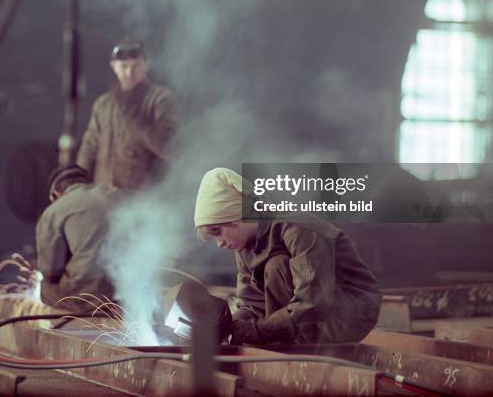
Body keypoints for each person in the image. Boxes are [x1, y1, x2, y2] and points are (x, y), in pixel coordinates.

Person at [194, 167, 382, 345]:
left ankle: (296, 347)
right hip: (313, 313)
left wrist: (257, 331)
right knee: (273, 269)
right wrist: (224, 328)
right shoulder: (243, 247)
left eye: (218, 231)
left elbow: (312, 302)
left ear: (237, 216)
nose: (219, 243)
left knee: (276, 265)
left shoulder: (298, 229)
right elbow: (252, 306)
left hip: (351, 312)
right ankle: (287, 341)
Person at [76, 40, 177, 190]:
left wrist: (140, 123)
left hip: (143, 198)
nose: (130, 73)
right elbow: (89, 148)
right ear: (114, 67)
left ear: (146, 65)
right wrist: (76, 181)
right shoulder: (103, 104)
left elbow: (170, 148)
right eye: (124, 66)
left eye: (136, 65)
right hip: (103, 196)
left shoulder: (160, 99)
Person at [36, 165, 127, 312]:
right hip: (129, 290)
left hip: (92, 295)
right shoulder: (116, 194)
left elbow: (51, 270)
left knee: (45, 287)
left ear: (56, 193)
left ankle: (70, 318)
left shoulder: (54, 211)